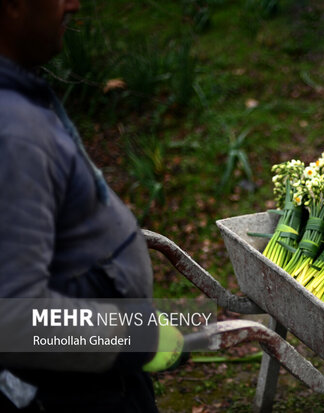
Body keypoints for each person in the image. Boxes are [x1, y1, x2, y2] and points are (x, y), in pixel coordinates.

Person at [0, 0, 184, 411]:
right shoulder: (11, 133)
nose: (73, 4)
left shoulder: (15, 104)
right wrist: (136, 338)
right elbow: (14, 319)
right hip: (76, 392)